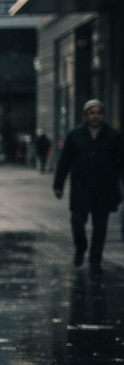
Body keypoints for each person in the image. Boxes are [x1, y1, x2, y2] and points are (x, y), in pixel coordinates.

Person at [53, 99, 124, 272]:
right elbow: (65, 161)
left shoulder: (113, 136)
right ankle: (81, 247)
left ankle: (95, 258)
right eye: (92, 113)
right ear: (85, 115)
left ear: (103, 115)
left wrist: (113, 177)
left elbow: (121, 161)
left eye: (99, 112)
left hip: (104, 188)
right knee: (77, 220)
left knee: (100, 225)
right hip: (80, 187)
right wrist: (58, 184)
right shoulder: (75, 135)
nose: (95, 116)